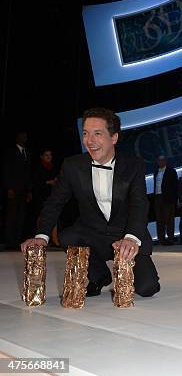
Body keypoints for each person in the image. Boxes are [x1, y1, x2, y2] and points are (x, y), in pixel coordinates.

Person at [21, 108, 160, 297]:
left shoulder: (134, 165)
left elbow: (139, 204)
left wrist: (131, 238)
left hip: (126, 235)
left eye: (97, 134)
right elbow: (55, 202)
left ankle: (139, 271)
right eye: (85, 133)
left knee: (147, 288)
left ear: (114, 138)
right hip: (93, 236)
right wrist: (41, 235)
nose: (89, 141)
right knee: (68, 236)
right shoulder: (72, 166)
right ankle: (100, 276)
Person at [3, 131, 32, 250]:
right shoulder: (10, 152)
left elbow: (28, 173)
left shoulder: (27, 152)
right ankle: (10, 242)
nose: (24, 138)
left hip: (24, 190)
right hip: (13, 189)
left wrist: (29, 191)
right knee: (12, 215)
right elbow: (6, 170)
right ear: (17, 137)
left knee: (21, 216)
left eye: (25, 136)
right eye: (22, 136)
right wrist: (9, 187)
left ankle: (17, 241)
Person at [153, 155, 177, 246]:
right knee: (159, 219)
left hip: (168, 198)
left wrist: (174, 200)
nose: (160, 162)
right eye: (159, 160)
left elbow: (175, 186)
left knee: (169, 219)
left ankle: (170, 239)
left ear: (166, 161)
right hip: (158, 197)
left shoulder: (171, 171)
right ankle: (161, 240)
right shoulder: (156, 172)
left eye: (162, 160)